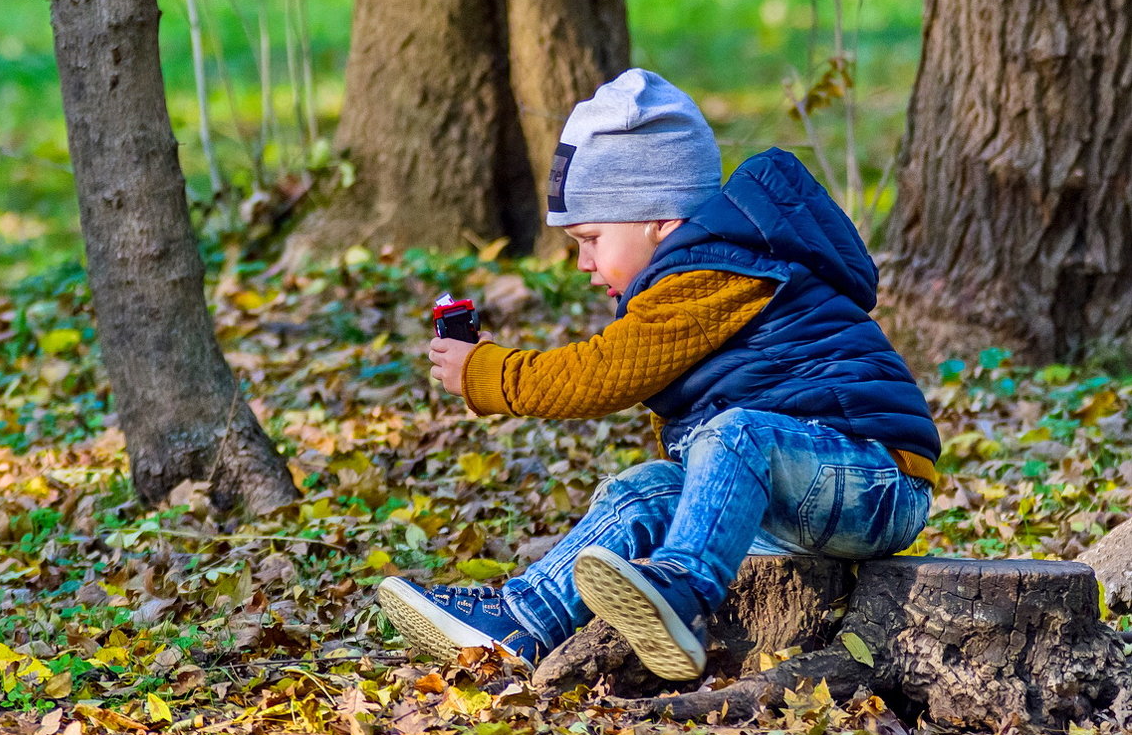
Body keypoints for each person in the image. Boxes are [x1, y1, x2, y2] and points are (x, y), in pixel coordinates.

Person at [377, 68, 940, 681]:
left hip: (874, 479)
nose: (586, 264)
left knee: (736, 434)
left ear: (659, 220)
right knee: (643, 490)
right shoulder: (698, 273)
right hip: (801, 484)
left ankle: (678, 594)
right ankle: (520, 621)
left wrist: (494, 375)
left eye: (591, 238)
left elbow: (605, 374)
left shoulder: (715, 274)